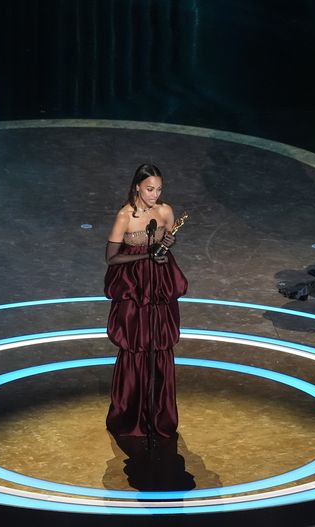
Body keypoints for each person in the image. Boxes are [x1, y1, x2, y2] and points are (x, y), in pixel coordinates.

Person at [104, 163, 188, 439]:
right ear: (137, 186)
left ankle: (159, 413)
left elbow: (168, 241)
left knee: (159, 344)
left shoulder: (165, 211)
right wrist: (146, 256)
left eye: (159, 189)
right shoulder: (124, 216)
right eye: (150, 189)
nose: (155, 194)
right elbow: (111, 258)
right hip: (135, 288)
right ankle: (132, 413)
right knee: (136, 344)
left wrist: (167, 244)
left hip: (159, 284)